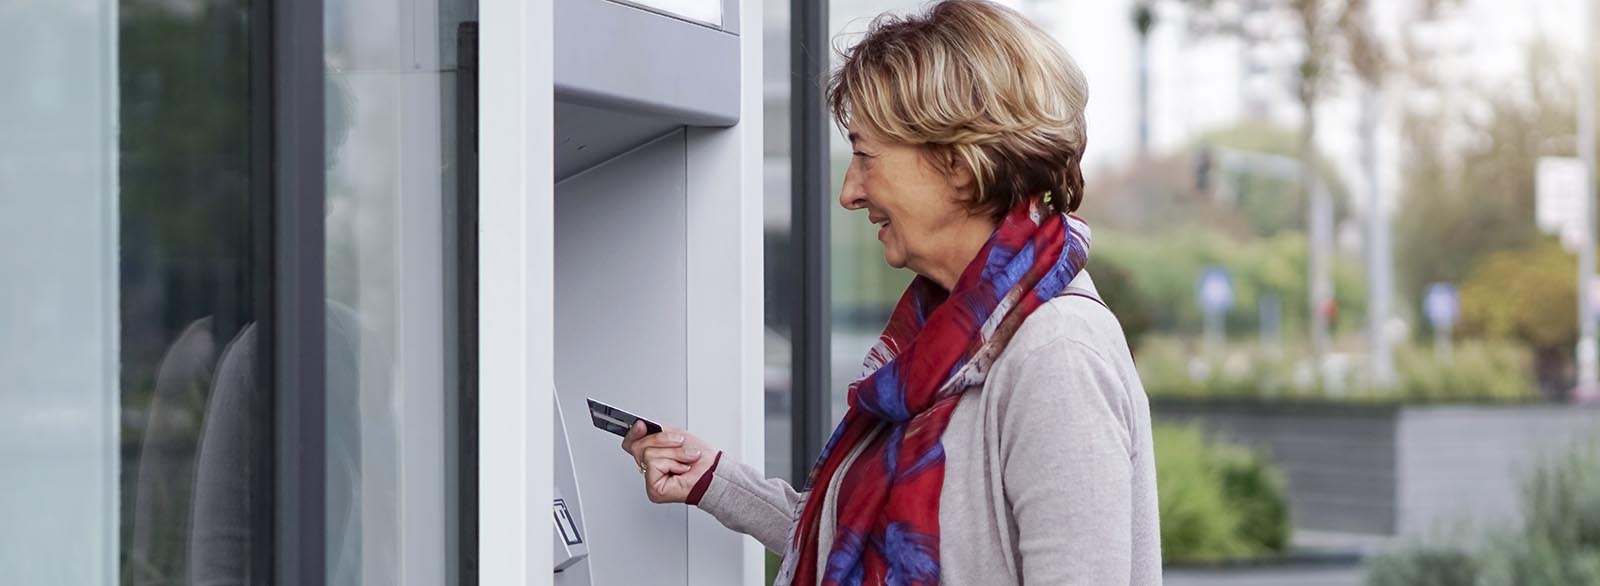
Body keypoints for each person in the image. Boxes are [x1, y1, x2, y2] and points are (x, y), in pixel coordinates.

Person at [622, 1, 1161, 583]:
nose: (850, 192)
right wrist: (715, 480)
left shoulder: (1054, 354)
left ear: (957, 163)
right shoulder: (945, 341)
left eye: (864, 155)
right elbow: (870, 537)